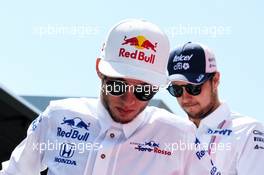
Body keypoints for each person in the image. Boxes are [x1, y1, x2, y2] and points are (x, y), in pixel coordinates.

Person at [1, 20, 215, 175]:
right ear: (99, 71)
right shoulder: (58, 117)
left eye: (144, 91)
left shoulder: (179, 135)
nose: (129, 100)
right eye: (117, 86)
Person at [167, 41, 264, 175]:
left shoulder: (248, 131)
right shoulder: (171, 134)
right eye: (176, 89)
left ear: (215, 80)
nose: (185, 97)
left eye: (194, 88)